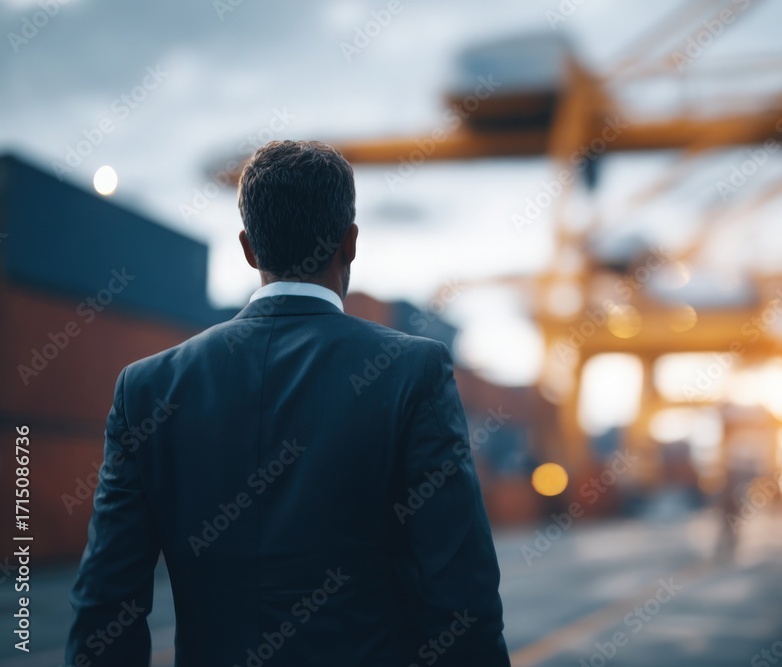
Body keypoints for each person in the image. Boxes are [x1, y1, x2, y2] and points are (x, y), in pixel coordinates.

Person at [65, 140, 510, 666]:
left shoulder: (146, 388)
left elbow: (105, 606)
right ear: (350, 242)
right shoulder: (413, 373)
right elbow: (461, 597)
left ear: (249, 248)